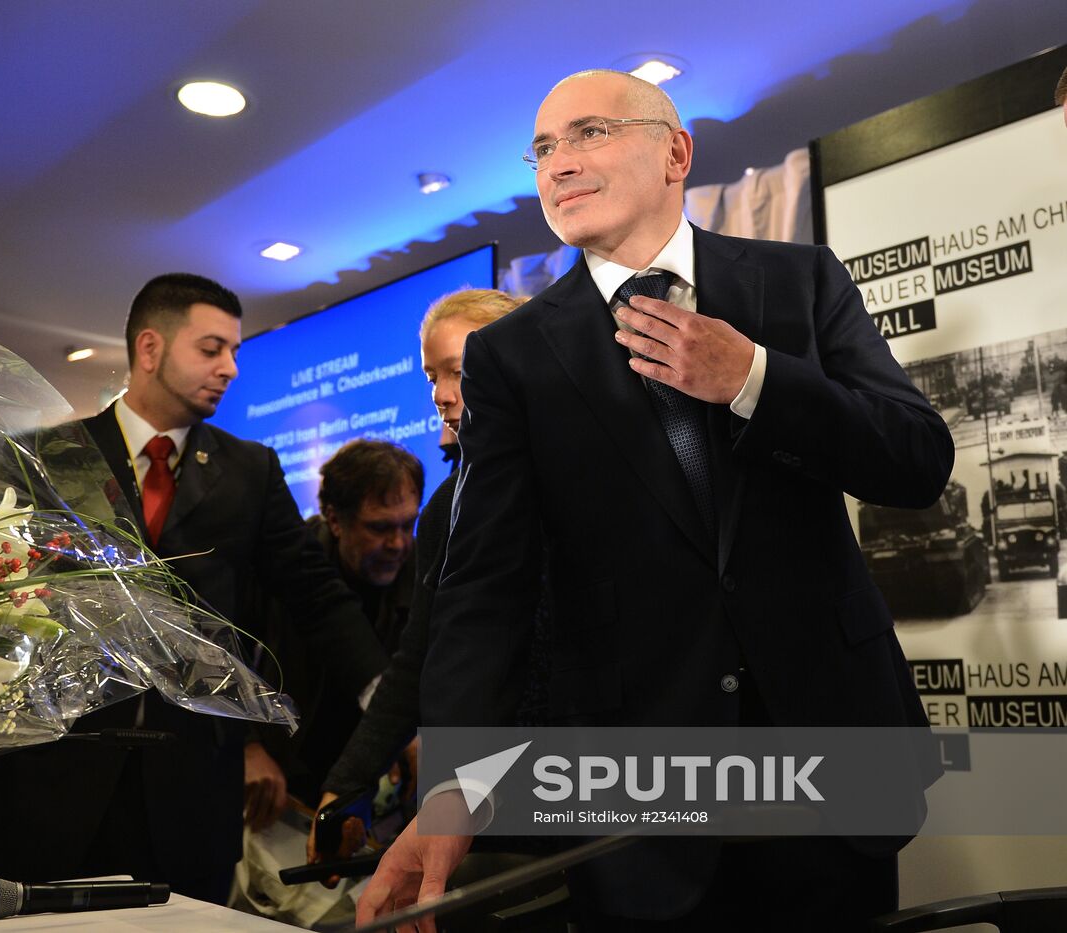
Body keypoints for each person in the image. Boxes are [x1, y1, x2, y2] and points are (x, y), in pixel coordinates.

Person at [359, 69, 953, 931]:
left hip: (831, 763)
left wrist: (752, 377)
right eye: (543, 149)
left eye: (589, 133)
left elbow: (916, 459)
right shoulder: (513, 356)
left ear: (675, 151)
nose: (557, 164)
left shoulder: (799, 283)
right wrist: (456, 781)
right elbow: (485, 589)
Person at [0, 273, 389, 904]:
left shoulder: (251, 471)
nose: (229, 368)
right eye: (211, 348)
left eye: (234, 352)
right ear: (150, 349)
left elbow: (318, 598)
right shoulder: (52, 456)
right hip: (51, 773)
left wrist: (387, 701)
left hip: (190, 782)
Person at [308, 289, 525, 874]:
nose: (439, 395)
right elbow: (415, 662)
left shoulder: (580, 479)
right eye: (433, 376)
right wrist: (346, 784)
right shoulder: (446, 508)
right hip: (469, 801)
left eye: (458, 372)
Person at [248, 439, 423, 820]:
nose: (398, 543)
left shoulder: (428, 580)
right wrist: (247, 747)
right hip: (274, 792)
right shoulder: (283, 568)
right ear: (334, 518)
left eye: (408, 525)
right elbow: (225, 653)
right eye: (379, 528)